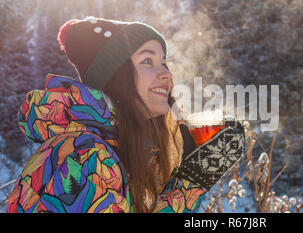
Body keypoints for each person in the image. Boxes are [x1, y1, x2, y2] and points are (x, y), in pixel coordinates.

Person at [7, 16, 246, 213]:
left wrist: (183, 154)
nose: (165, 73)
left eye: (164, 62)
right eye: (147, 60)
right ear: (115, 77)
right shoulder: (84, 157)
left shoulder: (112, 148)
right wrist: (191, 184)